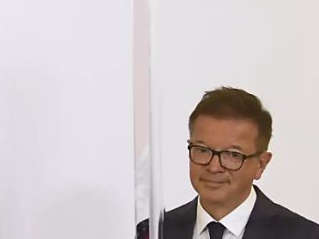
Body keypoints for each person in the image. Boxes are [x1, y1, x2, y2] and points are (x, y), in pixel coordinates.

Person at [137, 87, 319, 239]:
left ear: (261, 164)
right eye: (202, 150)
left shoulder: (304, 235)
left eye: (232, 155)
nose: (214, 167)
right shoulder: (154, 232)